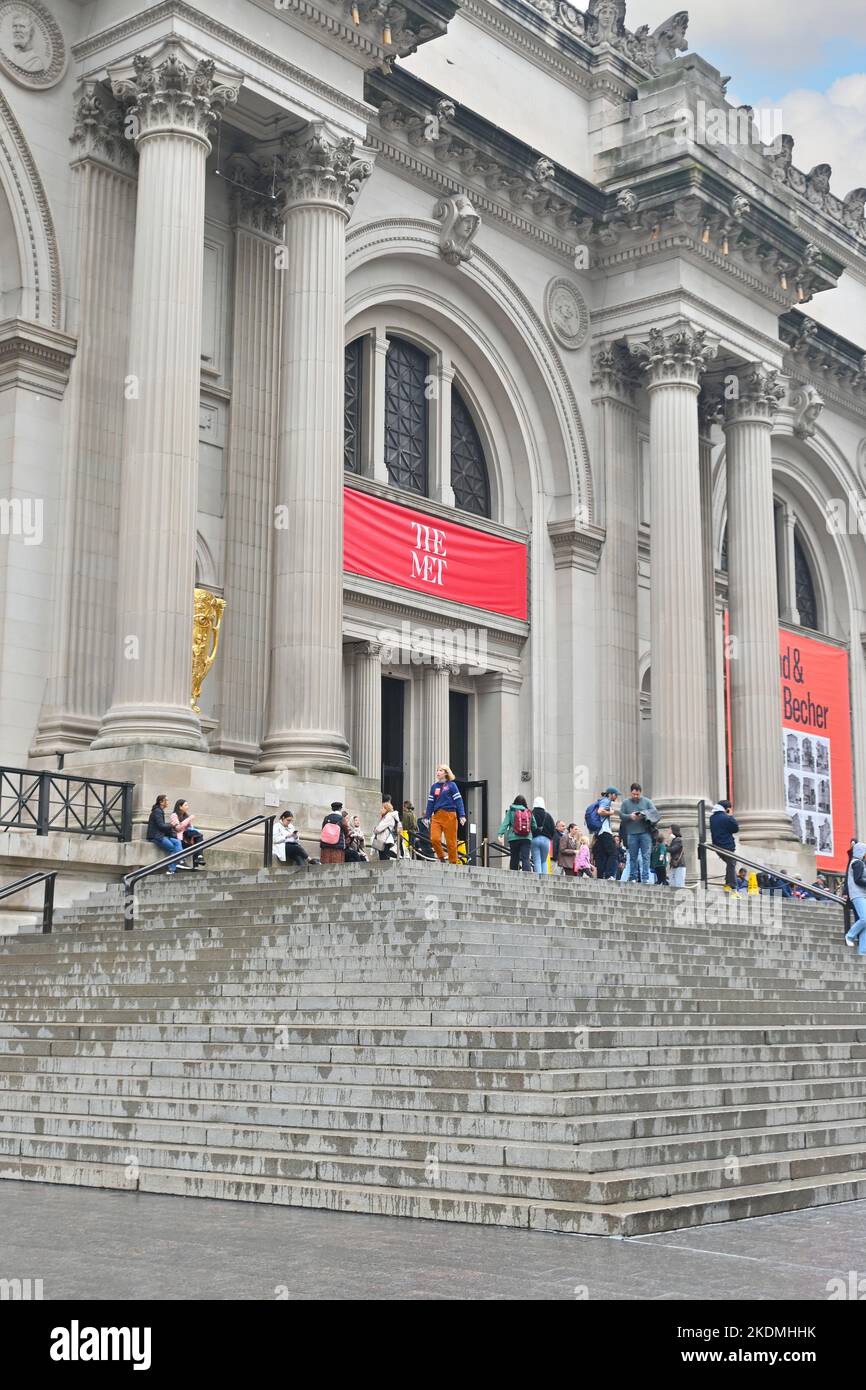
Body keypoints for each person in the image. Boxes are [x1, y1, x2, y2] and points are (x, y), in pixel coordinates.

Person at [421, 765, 467, 866]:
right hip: (437, 816)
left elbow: (458, 800)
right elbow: (430, 803)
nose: (438, 772)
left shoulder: (452, 785)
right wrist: (427, 816)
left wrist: (462, 815)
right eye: (437, 770)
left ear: (446, 773)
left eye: (440, 770)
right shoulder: (434, 787)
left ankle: (453, 863)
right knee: (434, 839)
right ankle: (441, 858)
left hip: (450, 815)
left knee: (451, 843)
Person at [618, 782, 659, 884]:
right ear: (631, 793)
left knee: (646, 856)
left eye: (637, 794)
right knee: (632, 857)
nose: (635, 796)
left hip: (645, 833)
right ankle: (633, 877)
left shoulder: (647, 802)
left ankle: (645, 878)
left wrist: (644, 814)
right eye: (633, 794)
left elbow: (655, 814)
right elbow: (621, 815)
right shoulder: (626, 803)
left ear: (640, 793)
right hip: (632, 834)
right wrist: (630, 816)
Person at [146, 795, 183, 873]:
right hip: (156, 836)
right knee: (172, 848)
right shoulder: (157, 811)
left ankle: (181, 861)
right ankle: (173, 868)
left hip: (161, 835)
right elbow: (161, 825)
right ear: (161, 802)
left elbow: (162, 826)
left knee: (177, 842)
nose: (168, 802)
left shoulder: (160, 811)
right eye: (166, 800)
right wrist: (172, 825)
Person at [588, 788, 619, 880]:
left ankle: (600, 876)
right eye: (615, 794)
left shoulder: (601, 800)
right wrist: (611, 812)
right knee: (613, 852)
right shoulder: (606, 800)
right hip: (605, 831)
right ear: (611, 794)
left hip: (599, 833)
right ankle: (609, 875)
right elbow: (600, 811)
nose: (616, 797)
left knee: (601, 855)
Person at [709, 798, 739, 892]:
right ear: (727, 809)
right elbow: (735, 828)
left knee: (730, 864)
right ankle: (732, 886)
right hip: (727, 846)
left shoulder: (712, 817)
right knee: (732, 863)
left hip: (717, 845)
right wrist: (730, 815)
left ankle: (728, 884)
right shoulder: (726, 818)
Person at [498, 794, 533, 871]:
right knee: (525, 858)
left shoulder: (511, 811)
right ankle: (527, 877)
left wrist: (500, 834)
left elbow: (505, 823)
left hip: (513, 838)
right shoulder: (528, 812)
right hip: (526, 838)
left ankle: (513, 875)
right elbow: (534, 825)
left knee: (514, 857)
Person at [844, 841, 866, 956]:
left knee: (865, 921)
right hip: (858, 894)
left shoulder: (857, 862)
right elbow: (858, 879)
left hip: (860, 894)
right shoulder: (858, 863)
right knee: (864, 919)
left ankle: (863, 950)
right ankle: (850, 935)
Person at [170, 799, 205, 868]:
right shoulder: (174, 815)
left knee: (198, 840)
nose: (187, 807)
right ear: (180, 807)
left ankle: (197, 863)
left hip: (187, 838)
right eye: (185, 805)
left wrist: (195, 829)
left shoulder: (186, 815)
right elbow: (178, 828)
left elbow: (191, 828)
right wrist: (189, 819)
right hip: (180, 840)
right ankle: (200, 857)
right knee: (198, 838)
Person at [530, 797, 556, 875]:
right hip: (546, 840)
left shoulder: (531, 814)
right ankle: (545, 878)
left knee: (537, 860)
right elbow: (553, 829)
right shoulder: (548, 815)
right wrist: (550, 837)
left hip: (534, 839)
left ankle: (538, 877)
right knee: (544, 860)